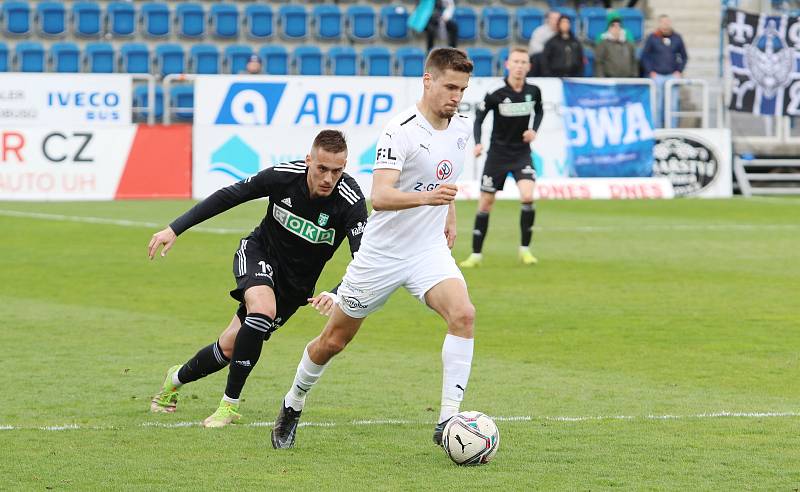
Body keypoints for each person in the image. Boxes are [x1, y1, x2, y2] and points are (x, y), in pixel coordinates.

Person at [270, 48, 475, 449]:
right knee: (334, 341)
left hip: (428, 251)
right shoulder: (399, 130)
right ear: (428, 81)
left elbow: (445, 176)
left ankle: (448, 420)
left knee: (464, 314)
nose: (456, 96)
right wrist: (430, 198)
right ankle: (293, 403)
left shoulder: (463, 126)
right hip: (381, 255)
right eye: (450, 86)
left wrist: (448, 212)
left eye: (463, 89)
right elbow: (379, 197)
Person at [147, 130, 368, 427]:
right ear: (308, 161)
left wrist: (337, 292)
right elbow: (230, 196)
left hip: (295, 287)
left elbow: (365, 260)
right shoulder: (283, 176)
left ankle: (174, 379)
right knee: (262, 310)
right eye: (322, 169)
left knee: (229, 347)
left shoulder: (350, 201)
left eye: (337, 170)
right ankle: (229, 405)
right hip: (258, 253)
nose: (329, 178)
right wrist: (175, 228)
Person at [460, 47, 543, 269]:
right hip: (497, 155)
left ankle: (525, 250)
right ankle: (475, 254)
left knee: (527, 196)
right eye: (515, 61)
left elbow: (540, 111)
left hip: (521, 153)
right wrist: (478, 143)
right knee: (486, 203)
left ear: (529, 66)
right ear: (508, 64)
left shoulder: (533, 91)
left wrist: (533, 130)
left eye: (523, 62)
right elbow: (479, 118)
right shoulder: (496, 91)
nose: (519, 66)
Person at [641, 15, 688, 128]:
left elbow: (684, 56)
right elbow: (645, 56)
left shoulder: (677, 37)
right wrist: (650, 71)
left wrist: (679, 71)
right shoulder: (652, 37)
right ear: (659, 23)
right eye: (663, 22)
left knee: (673, 105)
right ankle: (657, 130)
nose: (665, 24)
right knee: (657, 105)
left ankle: (672, 130)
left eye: (667, 22)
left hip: (672, 75)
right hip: (657, 76)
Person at [527, 11, 560, 76]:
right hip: (541, 60)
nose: (556, 21)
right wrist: (551, 53)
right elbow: (535, 48)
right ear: (548, 19)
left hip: (557, 60)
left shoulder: (563, 33)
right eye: (554, 18)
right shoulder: (540, 31)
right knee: (539, 57)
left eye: (558, 19)